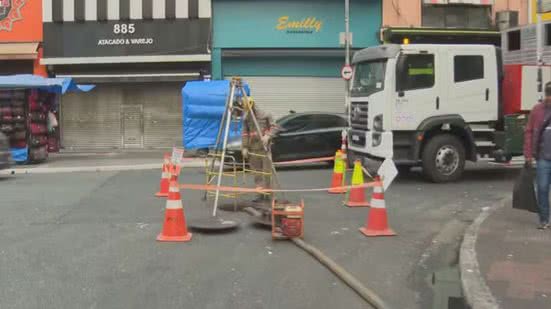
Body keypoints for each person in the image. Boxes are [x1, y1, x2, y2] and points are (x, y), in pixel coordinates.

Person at [524, 81, 551, 229]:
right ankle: (544, 220)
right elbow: (528, 132)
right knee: (542, 188)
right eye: (548, 94)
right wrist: (528, 154)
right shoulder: (537, 110)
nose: (549, 98)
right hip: (543, 158)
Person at [241, 99, 276, 202]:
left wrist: (268, 136)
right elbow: (245, 133)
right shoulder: (247, 118)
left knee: (267, 173)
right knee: (257, 174)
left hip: (264, 149)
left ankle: (270, 195)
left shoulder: (265, 114)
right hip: (253, 150)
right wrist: (244, 147)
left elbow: (274, 127)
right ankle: (259, 194)